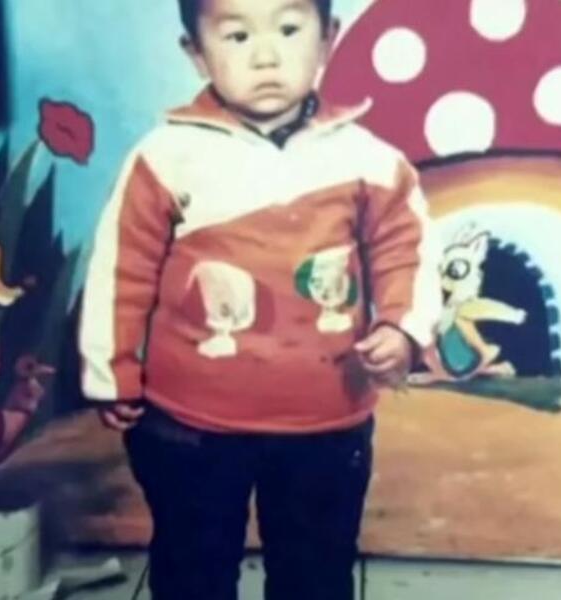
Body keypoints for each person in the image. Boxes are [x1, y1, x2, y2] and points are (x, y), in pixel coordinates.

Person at [78, 0, 442, 598]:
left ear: (327, 38)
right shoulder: (165, 156)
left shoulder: (368, 159)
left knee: (315, 575)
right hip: (190, 425)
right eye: (237, 35)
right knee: (192, 571)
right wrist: (110, 370)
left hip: (327, 422)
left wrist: (403, 328)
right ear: (196, 52)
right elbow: (122, 268)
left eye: (289, 29)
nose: (267, 56)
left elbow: (408, 246)